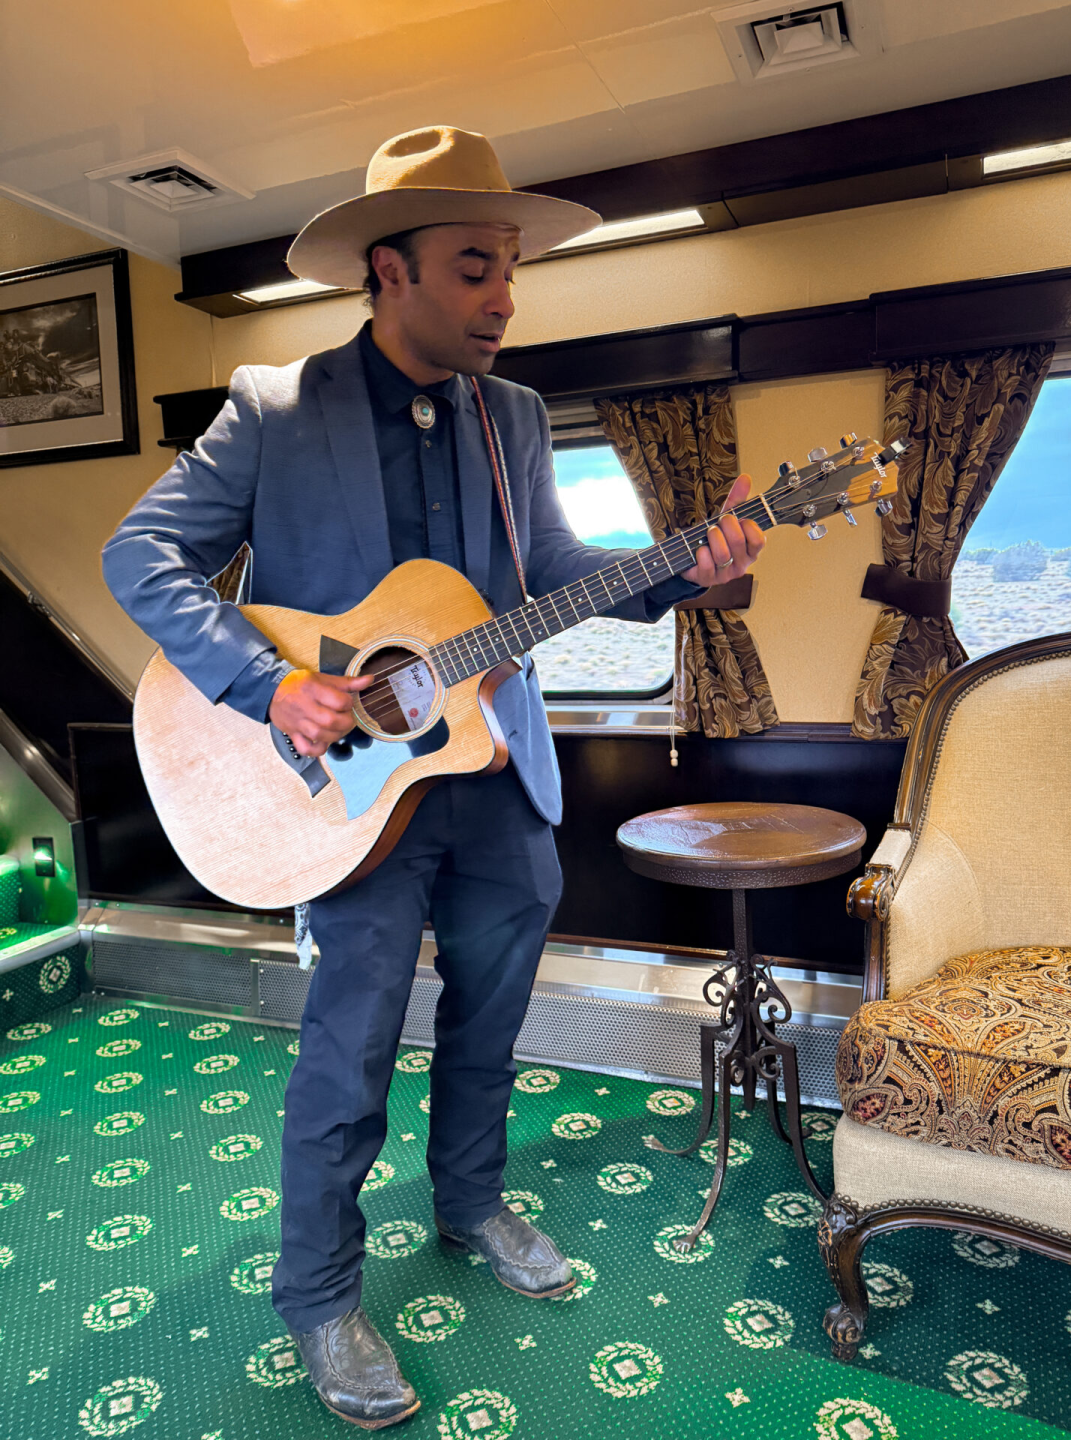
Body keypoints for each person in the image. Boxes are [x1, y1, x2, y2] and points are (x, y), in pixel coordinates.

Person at [103, 125, 764, 1430]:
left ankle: (469, 1201)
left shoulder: (514, 416)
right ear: (386, 272)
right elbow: (143, 560)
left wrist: (690, 570)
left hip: (495, 772)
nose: (504, 296)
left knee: (488, 1027)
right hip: (346, 795)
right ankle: (320, 1293)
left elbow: (561, 574)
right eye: (475, 267)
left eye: (510, 267)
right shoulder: (273, 409)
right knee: (345, 1052)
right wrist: (265, 681)